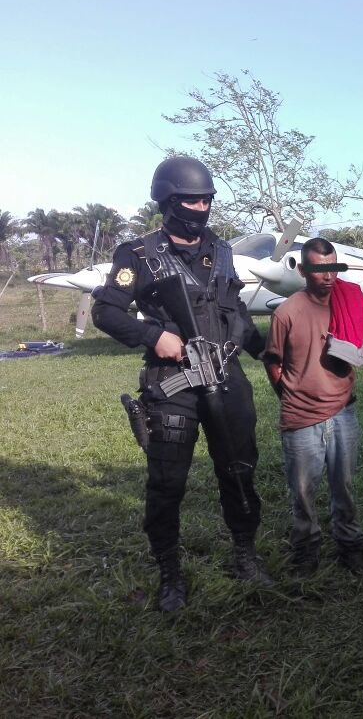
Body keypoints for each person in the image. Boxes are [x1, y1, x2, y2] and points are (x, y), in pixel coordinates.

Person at [92, 156, 270, 612]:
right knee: (167, 482)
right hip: (172, 382)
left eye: (207, 199)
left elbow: (236, 314)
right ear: (169, 202)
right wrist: (155, 336)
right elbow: (106, 310)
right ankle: (170, 572)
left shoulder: (222, 250)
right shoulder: (138, 254)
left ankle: (244, 555)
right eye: (192, 199)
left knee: (239, 472)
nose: (201, 207)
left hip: (226, 378)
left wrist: (266, 353)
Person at [264, 238, 363, 576]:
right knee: (304, 492)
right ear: (305, 270)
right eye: (319, 269)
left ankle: (350, 546)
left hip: (343, 411)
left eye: (332, 267)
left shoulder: (348, 300)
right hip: (301, 417)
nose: (327, 276)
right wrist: (291, 395)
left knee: (345, 487)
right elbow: (273, 361)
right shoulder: (288, 311)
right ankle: (307, 552)